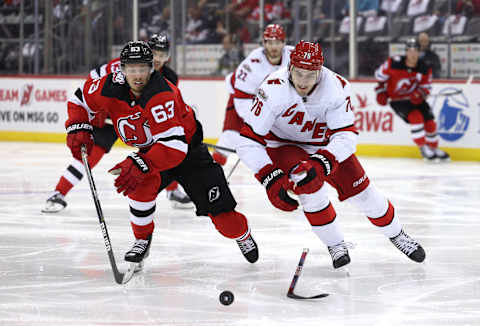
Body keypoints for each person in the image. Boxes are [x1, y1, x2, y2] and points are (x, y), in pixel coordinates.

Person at [63, 41, 259, 269]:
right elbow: (79, 99)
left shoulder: (161, 94)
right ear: (122, 69)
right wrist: (78, 125)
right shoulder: (109, 86)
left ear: (151, 69)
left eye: (143, 69)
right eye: (132, 69)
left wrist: (139, 162)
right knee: (138, 188)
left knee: (225, 220)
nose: (137, 76)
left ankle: (242, 235)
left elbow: (174, 149)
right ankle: (142, 240)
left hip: (189, 154)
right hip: (154, 152)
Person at [236, 40, 426, 269]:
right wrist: (270, 177)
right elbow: (247, 142)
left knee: (366, 195)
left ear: (320, 71)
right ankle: (335, 244)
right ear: (289, 69)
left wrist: (323, 161)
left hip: (324, 146)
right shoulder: (272, 88)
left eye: (310, 75)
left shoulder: (336, 87)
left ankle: (397, 234)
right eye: (299, 74)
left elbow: (346, 137)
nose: (303, 82)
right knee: (310, 191)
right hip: (284, 145)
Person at [42, 34, 193, 213]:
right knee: (89, 155)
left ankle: (172, 190)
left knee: (159, 153)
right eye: (155, 53)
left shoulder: (169, 78)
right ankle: (59, 193)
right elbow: (93, 81)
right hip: (110, 119)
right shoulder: (123, 64)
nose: (159, 59)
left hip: (141, 124)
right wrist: (98, 110)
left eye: (163, 54)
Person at [212, 24, 293, 166]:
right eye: (270, 42)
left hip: (269, 100)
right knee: (229, 138)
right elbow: (242, 102)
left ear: (284, 43)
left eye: (278, 42)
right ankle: (212, 174)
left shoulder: (293, 57)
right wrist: (259, 122)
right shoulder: (252, 63)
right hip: (240, 96)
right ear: (264, 43)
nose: (274, 47)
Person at [374, 38, 450, 162]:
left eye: (415, 51)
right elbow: (379, 77)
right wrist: (381, 92)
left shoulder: (424, 67)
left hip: (416, 99)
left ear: (419, 52)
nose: (413, 54)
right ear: (406, 52)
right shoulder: (393, 63)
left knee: (430, 123)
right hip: (398, 101)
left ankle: (434, 148)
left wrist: (420, 93)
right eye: (410, 51)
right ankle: (423, 148)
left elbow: (426, 87)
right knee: (416, 117)